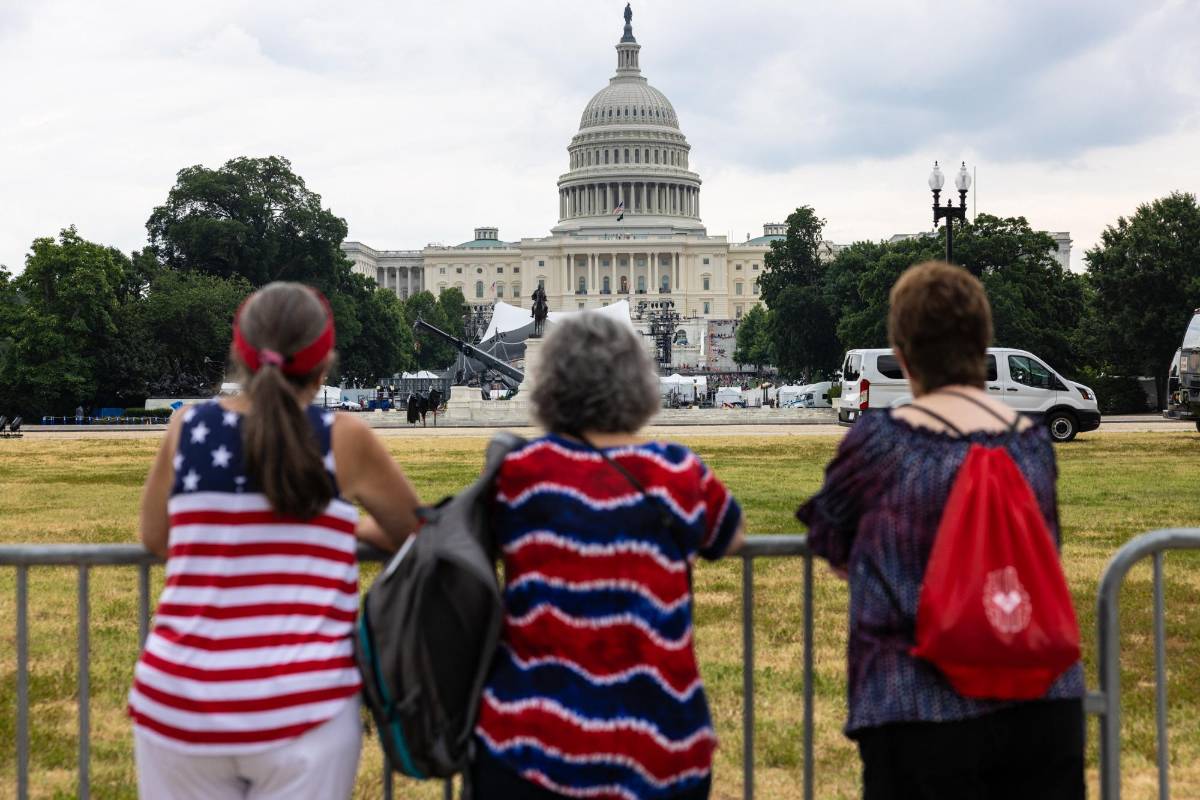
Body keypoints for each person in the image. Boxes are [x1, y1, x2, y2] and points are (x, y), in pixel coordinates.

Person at [796, 261, 1085, 799]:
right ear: (984, 344)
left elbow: (831, 538)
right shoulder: (1032, 444)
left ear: (902, 357)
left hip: (914, 706)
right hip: (1042, 702)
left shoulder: (880, 444)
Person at [128, 282, 421, 800]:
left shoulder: (188, 426)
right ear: (324, 360)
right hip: (303, 706)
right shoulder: (343, 436)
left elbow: (156, 537)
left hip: (179, 701)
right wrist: (340, 527)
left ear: (240, 351)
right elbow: (411, 530)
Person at [472, 313, 746, 800]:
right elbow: (731, 536)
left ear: (549, 386)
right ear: (638, 385)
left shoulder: (520, 472)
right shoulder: (677, 472)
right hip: (659, 747)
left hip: (533, 746)